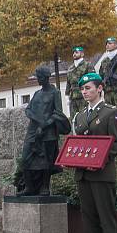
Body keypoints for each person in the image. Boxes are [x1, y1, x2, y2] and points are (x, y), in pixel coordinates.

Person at [72, 73, 117, 233]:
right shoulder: (80, 116)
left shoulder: (111, 112)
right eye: (83, 89)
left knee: (106, 218)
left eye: (89, 88)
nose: (85, 92)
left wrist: (98, 161)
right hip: (83, 175)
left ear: (100, 88)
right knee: (89, 219)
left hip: (102, 175)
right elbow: (76, 145)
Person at [19, 65, 70, 196]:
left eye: (40, 78)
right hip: (33, 130)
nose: (38, 80)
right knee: (25, 159)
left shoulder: (55, 93)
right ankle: (29, 187)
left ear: (46, 78)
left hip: (48, 132)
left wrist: (44, 125)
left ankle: (44, 186)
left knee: (47, 161)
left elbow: (58, 113)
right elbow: (28, 109)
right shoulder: (37, 93)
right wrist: (36, 120)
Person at [65, 46, 95, 118]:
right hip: (73, 98)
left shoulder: (87, 65)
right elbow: (68, 83)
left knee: (85, 118)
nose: (74, 54)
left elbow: (93, 80)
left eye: (76, 52)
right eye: (73, 52)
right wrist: (67, 95)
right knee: (74, 119)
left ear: (82, 54)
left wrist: (92, 95)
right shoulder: (70, 68)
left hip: (84, 97)